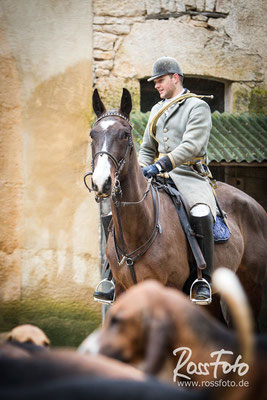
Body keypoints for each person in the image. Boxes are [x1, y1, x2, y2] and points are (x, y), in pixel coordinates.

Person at [94, 56, 216, 303]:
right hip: (156, 175)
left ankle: (203, 279)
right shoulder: (156, 111)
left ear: (175, 78)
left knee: (201, 212)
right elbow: (148, 148)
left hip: (189, 175)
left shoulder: (197, 107)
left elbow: (192, 145)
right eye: (155, 82)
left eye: (160, 81)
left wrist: (162, 164)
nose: (157, 86)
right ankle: (110, 276)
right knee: (116, 209)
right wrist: (139, 172)